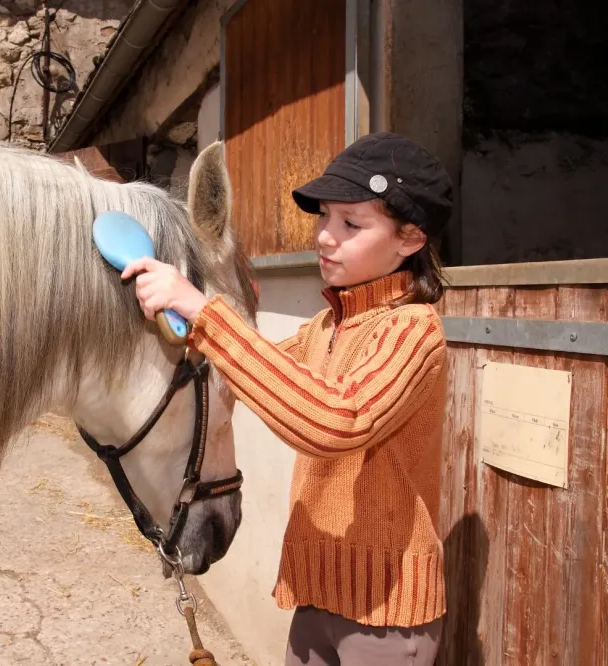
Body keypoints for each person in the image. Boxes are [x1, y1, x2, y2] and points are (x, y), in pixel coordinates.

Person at [121, 131, 452, 666]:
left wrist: (205, 312)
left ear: (410, 239)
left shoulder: (413, 333)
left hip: (387, 618)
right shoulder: (326, 326)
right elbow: (255, 373)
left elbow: (332, 421)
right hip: (317, 596)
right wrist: (174, 312)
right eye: (324, 217)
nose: (325, 236)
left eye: (351, 224)